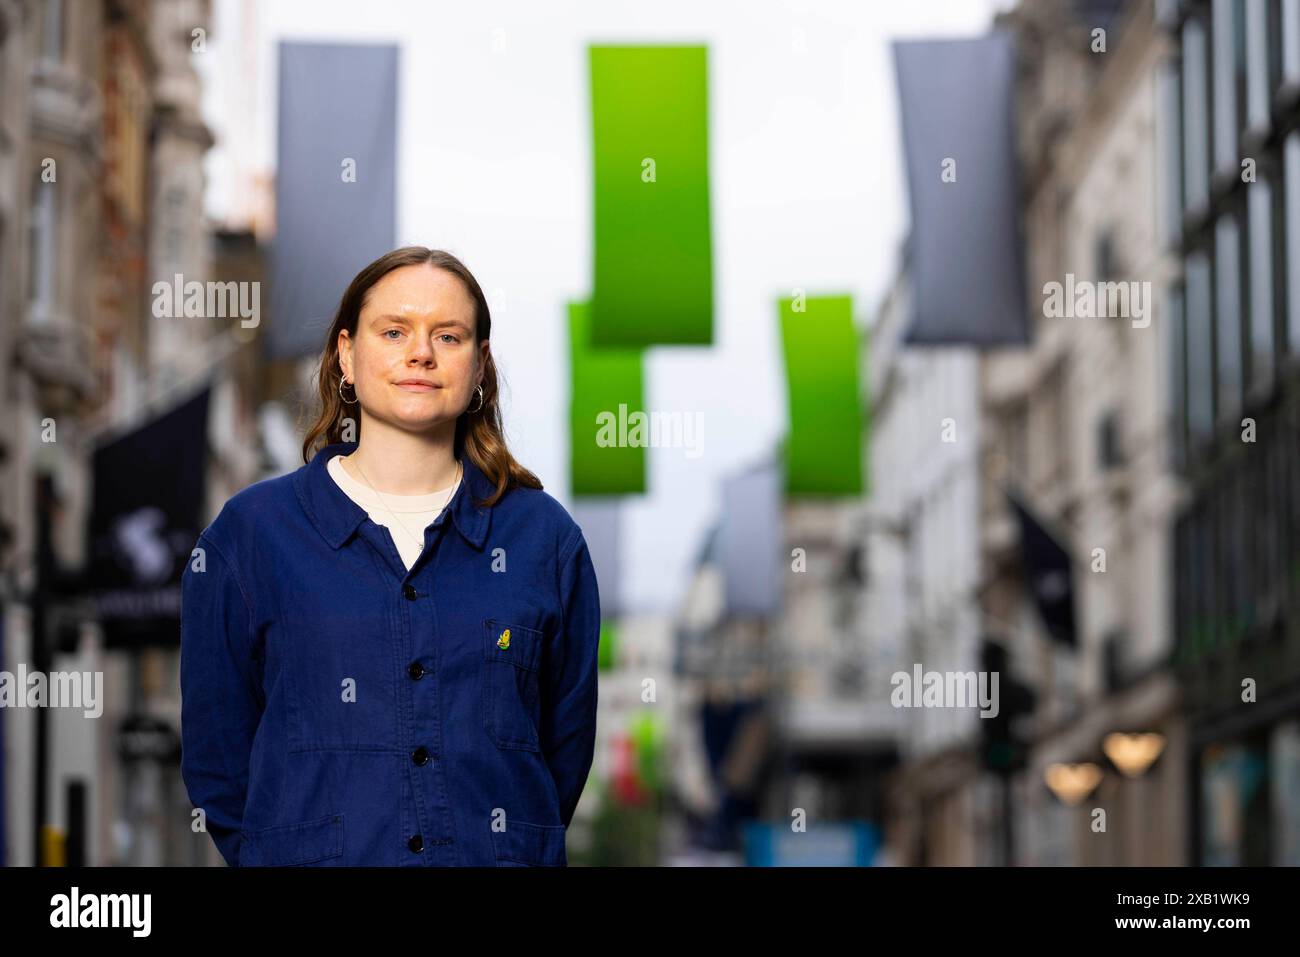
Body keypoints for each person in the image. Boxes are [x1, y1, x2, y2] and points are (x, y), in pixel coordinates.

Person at [179, 246, 601, 866]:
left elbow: (563, 753)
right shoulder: (251, 538)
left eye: (448, 336)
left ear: (480, 364)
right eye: (395, 330)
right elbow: (220, 764)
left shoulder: (543, 542)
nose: (421, 353)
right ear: (346, 354)